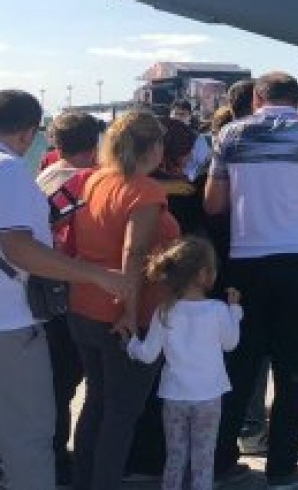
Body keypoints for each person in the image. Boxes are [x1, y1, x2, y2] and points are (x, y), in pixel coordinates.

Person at [206, 72, 298, 489]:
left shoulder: (231, 134)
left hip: (246, 260)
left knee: (240, 366)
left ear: (257, 98)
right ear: (297, 100)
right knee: (293, 370)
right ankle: (283, 468)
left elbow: (213, 203)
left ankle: (221, 460)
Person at [0, 90, 131, 490]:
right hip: (10, 326)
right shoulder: (8, 170)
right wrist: (97, 276)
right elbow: (18, 248)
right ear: (28, 133)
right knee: (28, 438)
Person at [69, 110, 182, 490]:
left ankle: (84, 481)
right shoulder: (145, 190)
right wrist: (130, 314)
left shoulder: (95, 179)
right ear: (153, 147)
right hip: (124, 312)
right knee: (120, 416)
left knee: (97, 404)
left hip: (84, 304)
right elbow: (134, 253)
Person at [127, 237, 243, 490]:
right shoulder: (218, 310)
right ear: (204, 274)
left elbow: (147, 354)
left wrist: (131, 342)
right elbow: (231, 343)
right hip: (209, 396)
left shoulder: (164, 311)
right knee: (203, 460)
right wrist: (235, 311)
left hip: (174, 395)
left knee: (175, 457)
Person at [35, 111, 101, 485]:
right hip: (70, 293)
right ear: (95, 143)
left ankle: (54, 457)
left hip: (41, 293)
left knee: (54, 386)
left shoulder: (44, 177)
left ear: (55, 143)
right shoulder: (85, 181)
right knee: (69, 384)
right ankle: (63, 462)